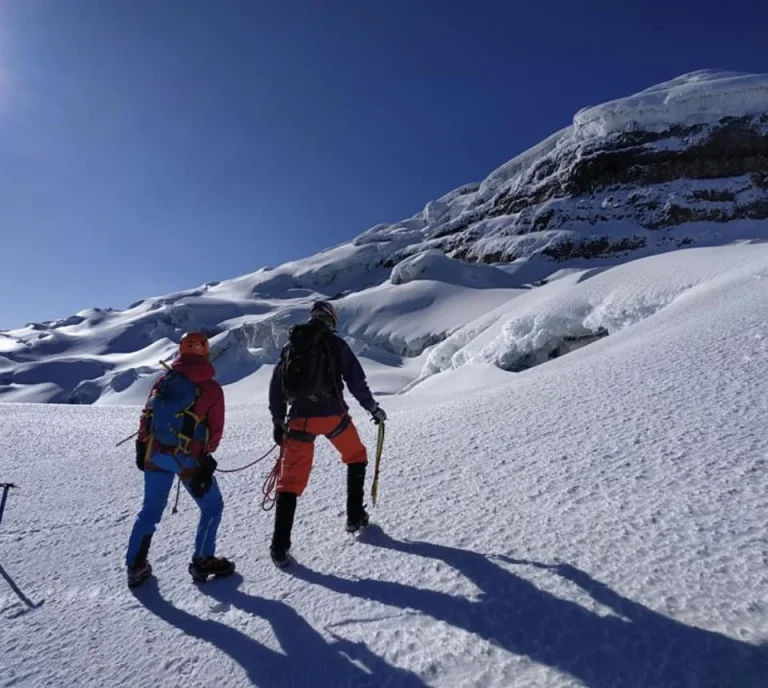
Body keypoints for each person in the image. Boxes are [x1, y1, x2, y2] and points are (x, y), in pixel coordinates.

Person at [268, 300, 387, 567]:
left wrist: (278, 419)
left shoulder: (291, 346)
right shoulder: (335, 343)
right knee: (356, 455)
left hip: (299, 421)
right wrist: (373, 408)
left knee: (289, 482)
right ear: (331, 320)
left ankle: (279, 548)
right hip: (333, 416)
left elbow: (276, 385)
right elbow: (356, 380)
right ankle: (355, 517)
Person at [125, 332, 234, 587]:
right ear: (205, 353)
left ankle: (136, 566)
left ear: (181, 353)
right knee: (212, 506)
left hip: (156, 452)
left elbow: (147, 415)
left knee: (150, 511)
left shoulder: (165, 380)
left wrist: (143, 446)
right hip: (188, 457)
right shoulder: (211, 388)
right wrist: (206, 454)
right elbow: (215, 429)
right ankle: (203, 560)